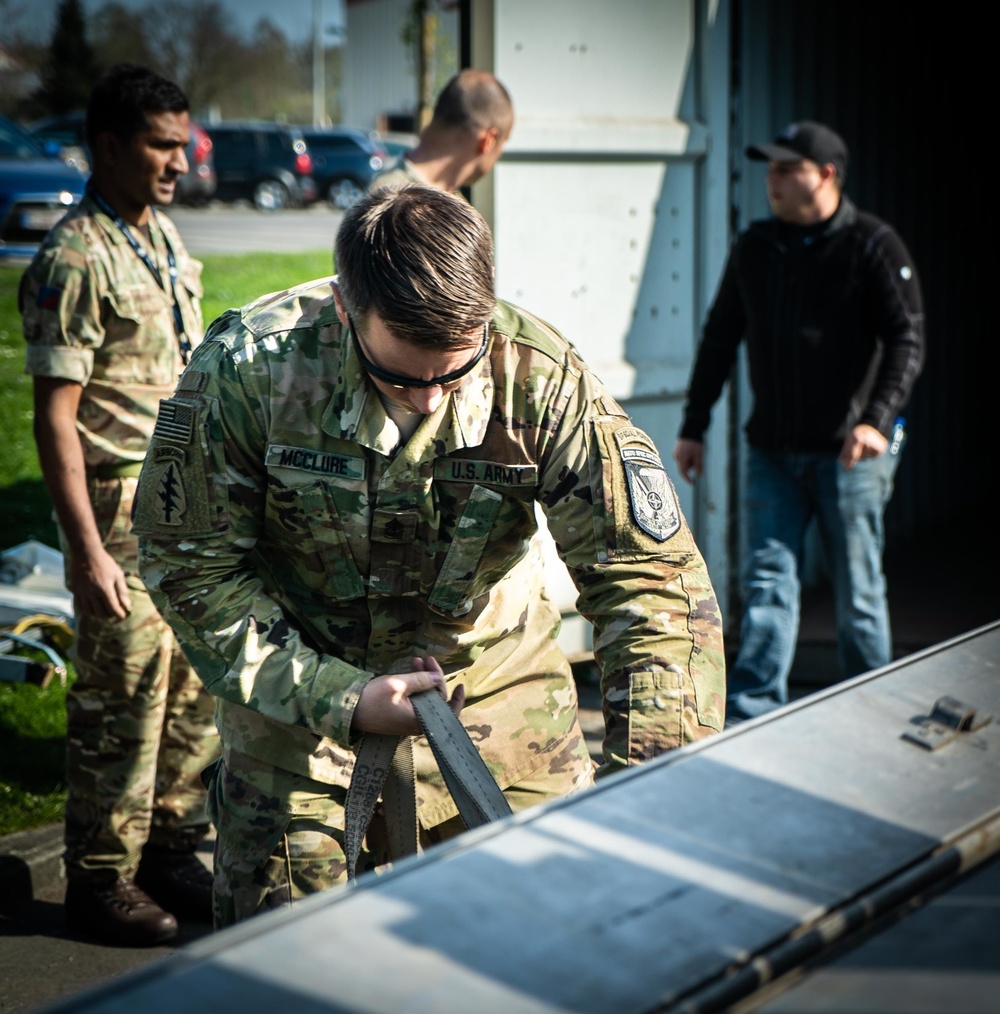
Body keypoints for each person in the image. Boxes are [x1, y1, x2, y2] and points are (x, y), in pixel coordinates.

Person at [133, 183, 726, 928]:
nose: (433, 401)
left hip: (503, 706)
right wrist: (341, 697)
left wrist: (645, 796)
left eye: (456, 370)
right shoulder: (249, 372)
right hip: (301, 723)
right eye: (406, 377)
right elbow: (191, 569)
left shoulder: (539, 375)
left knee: (558, 941)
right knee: (283, 960)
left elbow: (651, 584)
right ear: (348, 312)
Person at [19, 63, 220, 946]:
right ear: (108, 147)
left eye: (183, 143)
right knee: (122, 698)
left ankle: (171, 849)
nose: (179, 161)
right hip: (118, 509)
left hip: (187, 505)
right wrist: (87, 549)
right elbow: (54, 420)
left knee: (189, 691)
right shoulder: (74, 257)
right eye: (161, 144)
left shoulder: (165, 239)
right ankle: (100, 878)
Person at [673, 120, 925, 724]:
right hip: (773, 454)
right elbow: (719, 337)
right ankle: (754, 716)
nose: (773, 180)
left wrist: (875, 420)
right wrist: (693, 424)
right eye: (770, 169)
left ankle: (875, 713)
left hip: (851, 453)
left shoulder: (872, 244)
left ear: (827, 175)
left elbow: (906, 340)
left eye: (788, 169)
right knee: (767, 586)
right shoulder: (757, 246)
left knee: (858, 592)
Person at [370, 68, 513, 193]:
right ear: (489, 140)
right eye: (504, 141)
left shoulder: (384, 195)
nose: (501, 152)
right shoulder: (388, 205)